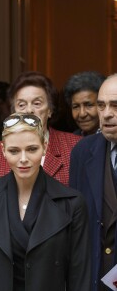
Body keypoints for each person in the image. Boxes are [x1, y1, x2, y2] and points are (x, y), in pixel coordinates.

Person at [0, 113, 91, 291]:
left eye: (32, 149)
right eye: (14, 151)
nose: (23, 159)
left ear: (44, 147)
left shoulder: (72, 203)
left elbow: (80, 275)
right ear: (2, 150)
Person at [0, 71, 82, 186]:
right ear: (13, 111)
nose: (29, 110)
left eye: (37, 103)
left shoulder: (74, 146)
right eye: (21, 105)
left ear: (50, 110)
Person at [69, 74, 117, 291]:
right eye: (101, 105)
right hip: (95, 278)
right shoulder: (83, 151)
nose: (106, 114)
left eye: (115, 106)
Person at [63, 71, 106, 136]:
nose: (82, 114)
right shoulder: (70, 141)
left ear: (104, 105)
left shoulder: (112, 139)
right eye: (76, 107)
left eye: (89, 105)